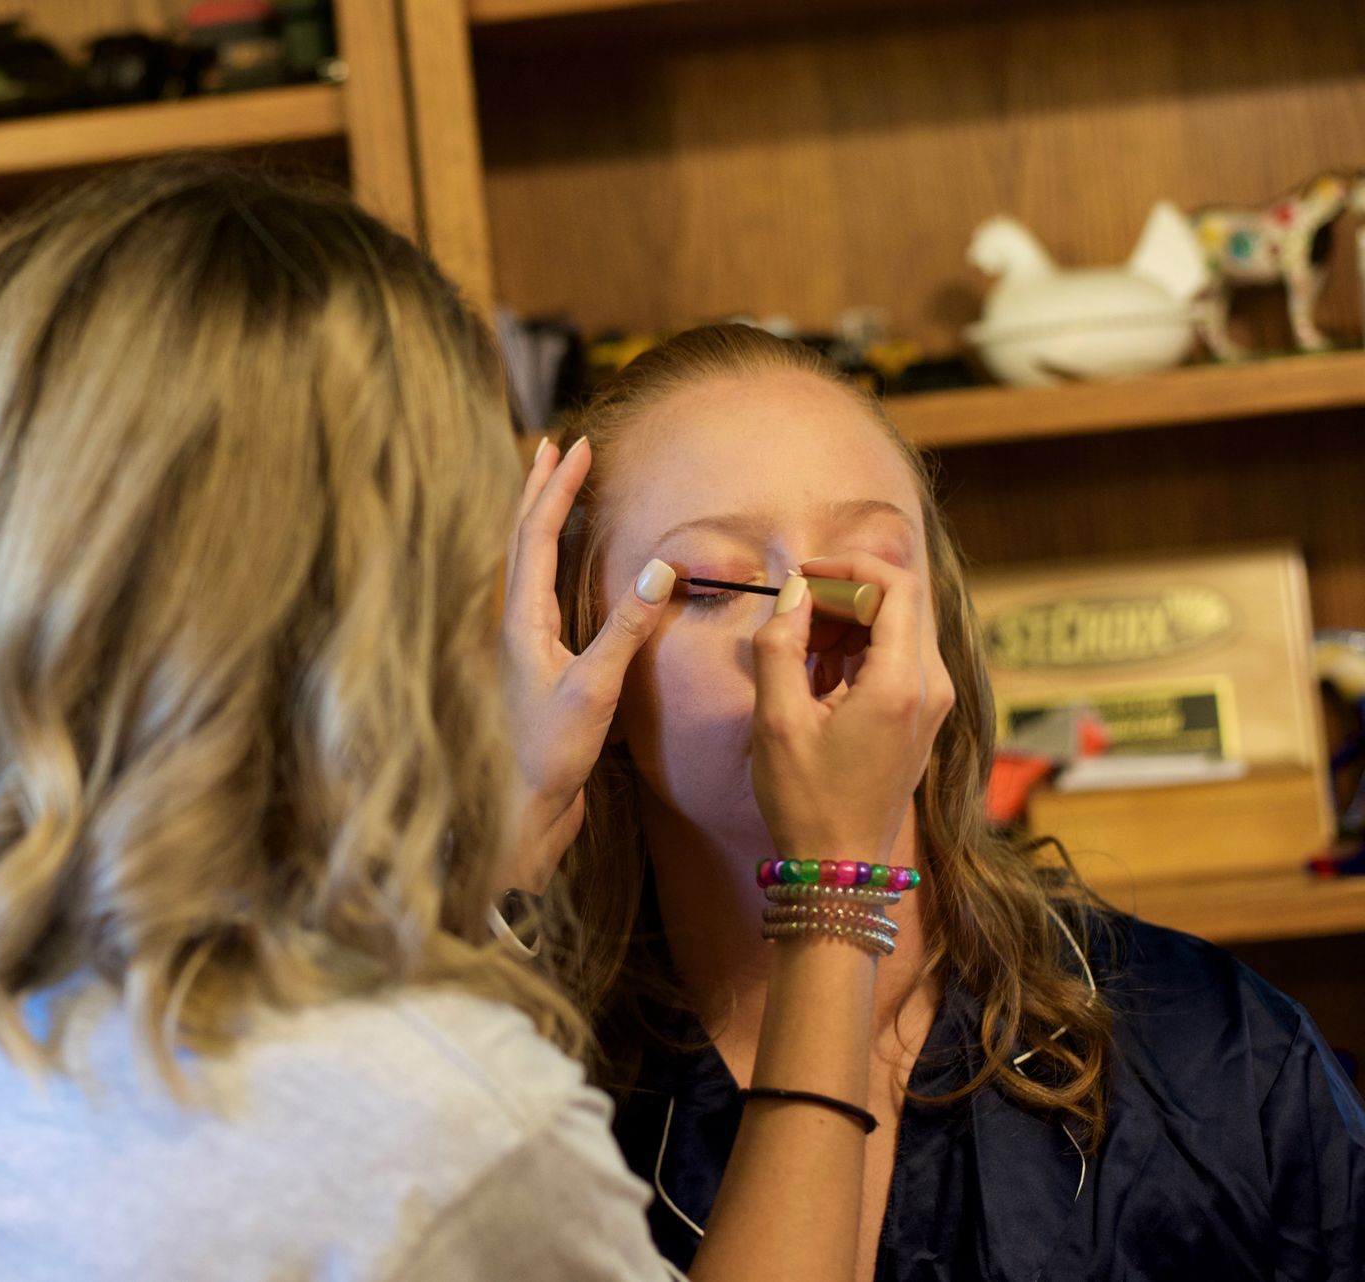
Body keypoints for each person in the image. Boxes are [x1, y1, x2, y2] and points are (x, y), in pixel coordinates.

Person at [0, 163, 951, 1281]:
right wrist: (838, 888)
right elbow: (340, 1142)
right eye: (717, 579)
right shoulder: (443, 1132)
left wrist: (471, 865)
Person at [531, 321, 1365, 1280]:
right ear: (579, 659)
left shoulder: (1225, 1057)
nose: (812, 627)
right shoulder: (519, 1115)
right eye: (718, 586)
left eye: (868, 572)